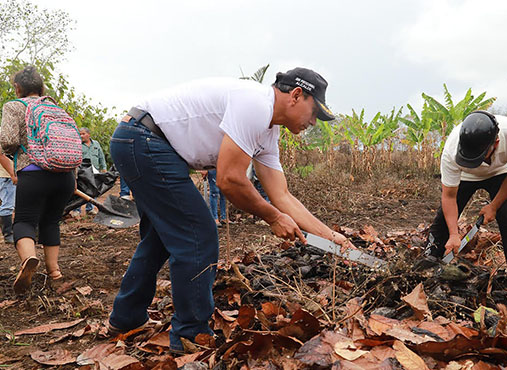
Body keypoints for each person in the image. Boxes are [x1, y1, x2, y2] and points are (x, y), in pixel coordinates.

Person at [108, 67, 352, 354]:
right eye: (314, 113)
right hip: (144, 138)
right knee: (197, 234)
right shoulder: (256, 104)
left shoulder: (268, 132)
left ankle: (126, 319)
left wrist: (335, 241)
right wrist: (272, 217)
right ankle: (191, 336)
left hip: (142, 140)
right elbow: (229, 179)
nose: (313, 122)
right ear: (296, 95)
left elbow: (282, 196)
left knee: (160, 240)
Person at [420, 111, 507, 276]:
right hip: (465, 176)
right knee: (443, 220)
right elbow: (449, 196)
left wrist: (493, 206)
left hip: (500, 172)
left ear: (496, 142)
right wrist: (453, 234)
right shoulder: (451, 150)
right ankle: (427, 264)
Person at [0, 66, 76, 294]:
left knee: (24, 221)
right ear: (41, 87)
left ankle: (29, 259)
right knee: (51, 221)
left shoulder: (14, 106)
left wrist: (14, 154)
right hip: (64, 174)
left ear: (17, 88)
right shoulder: (54, 106)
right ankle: (55, 273)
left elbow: (8, 140)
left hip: (33, 172)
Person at [71, 127, 107, 217]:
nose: (81, 136)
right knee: (80, 189)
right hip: (81, 171)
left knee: (93, 189)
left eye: (83, 134)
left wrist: (104, 168)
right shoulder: (77, 145)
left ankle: (90, 208)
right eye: (80, 134)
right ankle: (77, 210)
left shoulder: (96, 144)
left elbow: (101, 157)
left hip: (94, 170)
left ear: (88, 134)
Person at [0, 153, 17, 243]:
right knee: (7, 205)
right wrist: (12, 174)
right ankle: (8, 234)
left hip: (7, 174)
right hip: (6, 175)